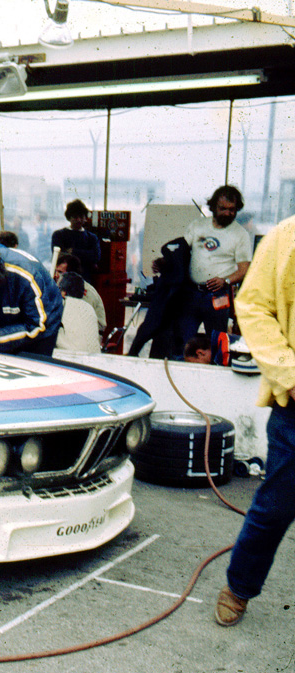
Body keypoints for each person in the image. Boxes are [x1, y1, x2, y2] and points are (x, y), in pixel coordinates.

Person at [215, 214, 295, 627]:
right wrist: (289, 372)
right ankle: (240, 587)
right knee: (275, 506)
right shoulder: (286, 238)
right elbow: (253, 306)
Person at [178, 185, 252, 347]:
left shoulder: (240, 235)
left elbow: (244, 270)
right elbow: (180, 252)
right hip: (192, 293)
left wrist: (225, 281)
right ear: (212, 207)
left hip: (218, 295)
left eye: (232, 210)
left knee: (217, 343)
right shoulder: (197, 226)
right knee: (184, 341)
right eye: (223, 208)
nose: (228, 213)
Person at [55, 252, 106, 335]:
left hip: (89, 334)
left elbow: (82, 319)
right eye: (56, 271)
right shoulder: (63, 287)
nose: (56, 275)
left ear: (71, 274)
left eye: (60, 272)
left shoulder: (84, 291)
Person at [51, 199, 100, 281]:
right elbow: (59, 257)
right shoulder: (59, 235)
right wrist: (86, 255)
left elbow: (96, 257)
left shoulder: (92, 237)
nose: (78, 220)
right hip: (63, 279)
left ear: (85, 218)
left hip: (85, 279)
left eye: (81, 217)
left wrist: (73, 251)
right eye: (75, 217)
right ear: (69, 218)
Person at [56, 271, 101, 353]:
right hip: (94, 359)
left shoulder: (61, 305)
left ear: (63, 293)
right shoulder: (89, 308)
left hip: (70, 359)